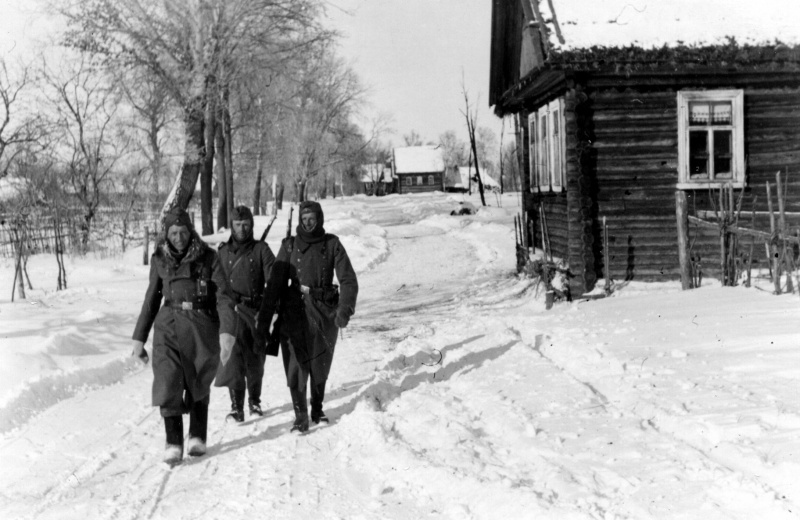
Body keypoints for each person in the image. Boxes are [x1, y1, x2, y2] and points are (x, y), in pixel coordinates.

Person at [131, 207, 236, 465]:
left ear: (191, 232)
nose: (179, 237)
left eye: (183, 232)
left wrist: (227, 331)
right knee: (168, 380)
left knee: (198, 381)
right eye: (173, 232)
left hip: (201, 326)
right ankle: (173, 441)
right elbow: (151, 299)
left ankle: (197, 436)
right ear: (167, 234)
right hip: (168, 326)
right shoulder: (159, 259)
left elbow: (224, 296)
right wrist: (139, 338)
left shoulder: (208, 258)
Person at [257, 200, 358, 432]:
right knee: (295, 363)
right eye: (303, 219)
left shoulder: (332, 244)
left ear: (319, 219)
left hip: (324, 311)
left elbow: (348, 279)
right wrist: (264, 321)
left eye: (312, 218)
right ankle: (300, 415)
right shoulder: (289, 246)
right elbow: (274, 284)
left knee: (319, 362)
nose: (307, 223)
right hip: (294, 310)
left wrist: (345, 309)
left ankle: (317, 408)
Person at [213, 206, 276, 422]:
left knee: (256, 360)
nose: (242, 228)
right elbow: (215, 284)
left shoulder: (262, 250)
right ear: (232, 225)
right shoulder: (221, 252)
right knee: (233, 360)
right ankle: (236, 407)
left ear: (251, 224)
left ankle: (254, 401)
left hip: (256, 313)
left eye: (246, 224)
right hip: (231, 313)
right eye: (238, 224)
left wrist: (269, 306)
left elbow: (274, 280)